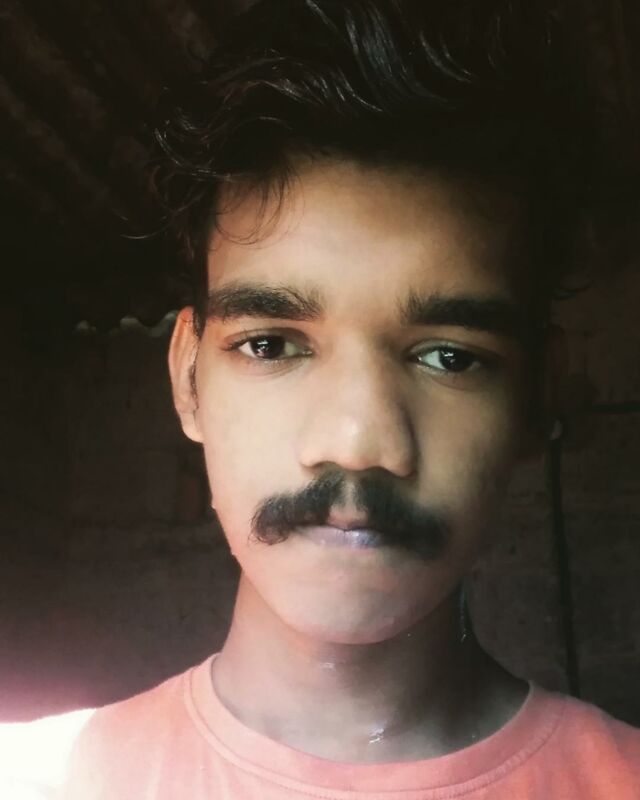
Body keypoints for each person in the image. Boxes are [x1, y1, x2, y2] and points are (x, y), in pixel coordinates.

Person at [55, 0, 640, 797]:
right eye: (270, 344)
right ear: (187, 379)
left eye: (449, 356)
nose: (358, 442)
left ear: (536, 401)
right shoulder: (48, 777)